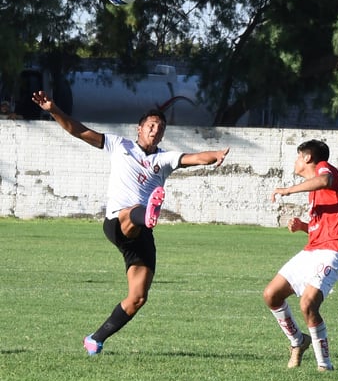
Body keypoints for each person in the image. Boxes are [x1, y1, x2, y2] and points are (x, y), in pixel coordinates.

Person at [32, 90, 230, 355]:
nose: (155, 130)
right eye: (151, 125)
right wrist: (53, 108)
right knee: (134, 210)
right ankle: (147, 212)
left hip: (142, 234)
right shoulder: (119, 145)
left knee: (138, 297)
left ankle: (95, 339)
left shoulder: (164, 160)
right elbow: (77, 130)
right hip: (117, 221)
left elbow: (194, 158)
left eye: (160, 128)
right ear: (139, 129)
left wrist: (215, 154)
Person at [263, 139, 338, 371]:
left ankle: (324, 366)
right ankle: (298, 341)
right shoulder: (315, 192)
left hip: (333, 252)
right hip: (314, 250)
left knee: (308, 304)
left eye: (297, 156)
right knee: (272, 294)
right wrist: (303, 226)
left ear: (307, 158)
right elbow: (323, 225)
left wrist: (287, 190)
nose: (295, 161)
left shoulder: (325, 169)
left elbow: (324, 179)